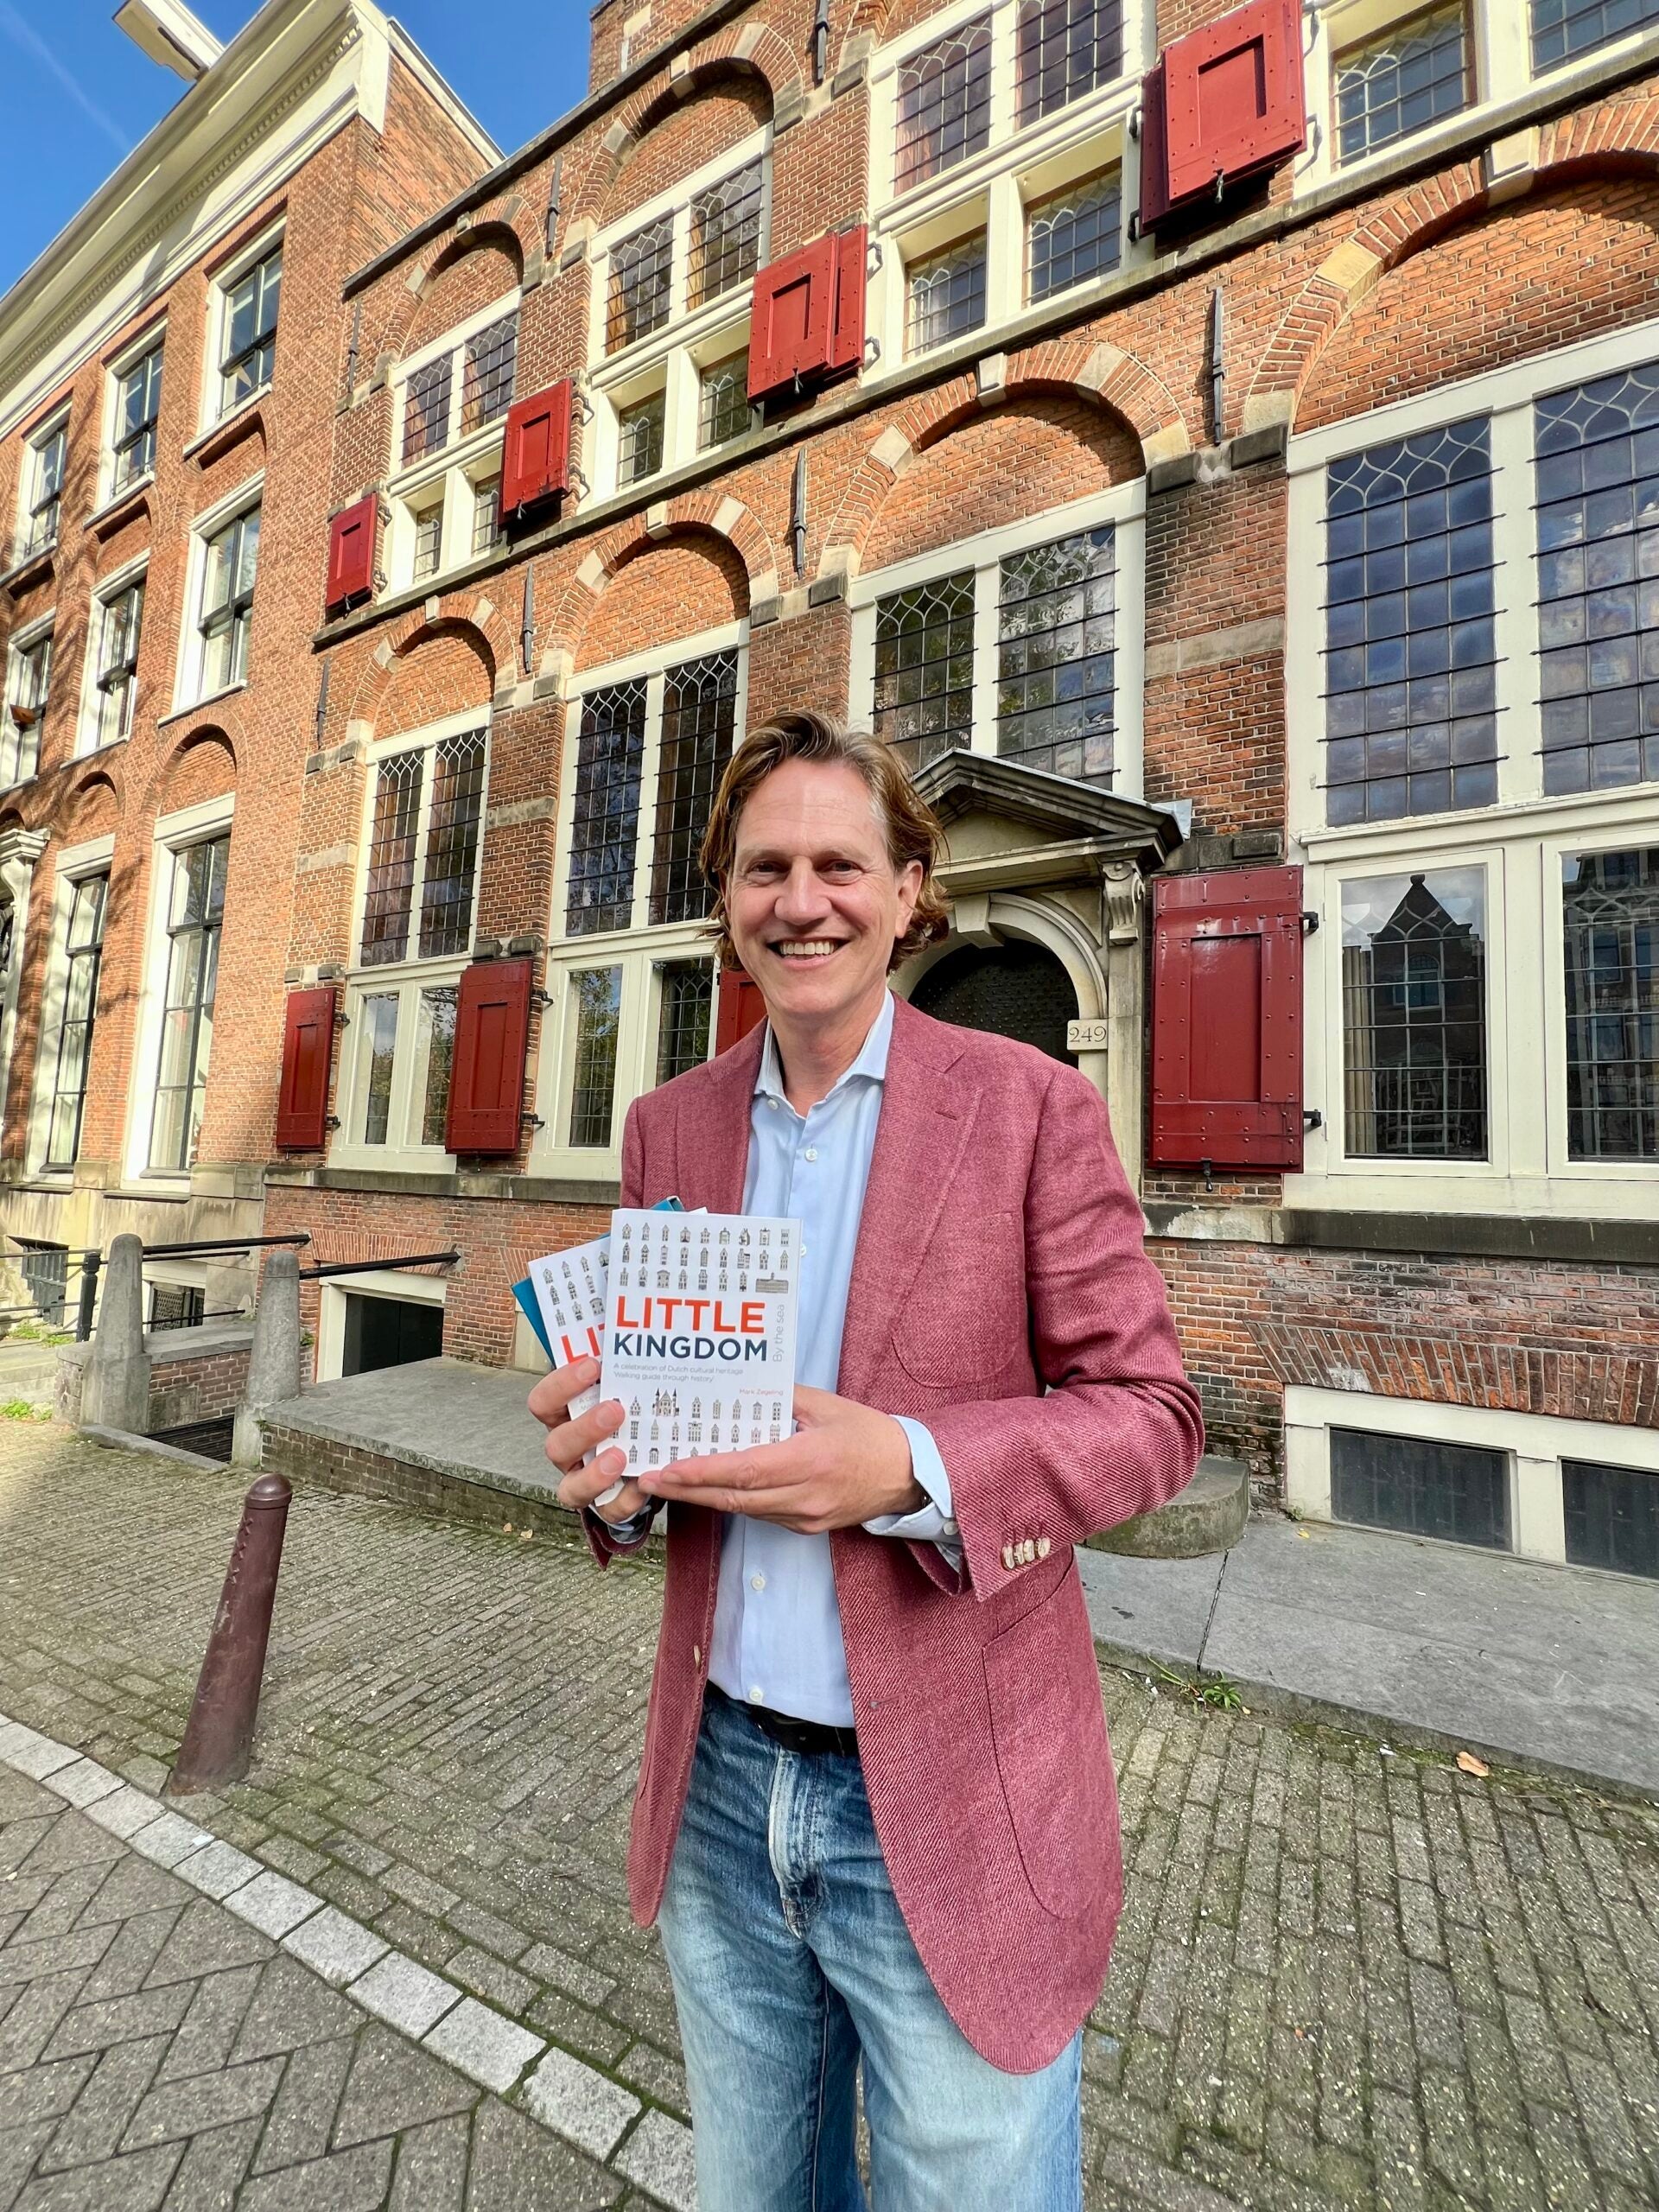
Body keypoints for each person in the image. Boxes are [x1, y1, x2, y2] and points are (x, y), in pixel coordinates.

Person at [530, 711, 1203, 2211]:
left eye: (842, 862)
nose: (802, 898)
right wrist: (618, 1482)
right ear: (728, 901)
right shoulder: (666, 1130)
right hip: (717, 1781)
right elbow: (663, 1437)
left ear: (911, 890)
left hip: (950, 1797)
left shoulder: (1035, 1108)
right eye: (765, 866)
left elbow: (1154, 1415)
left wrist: (907, 1464)